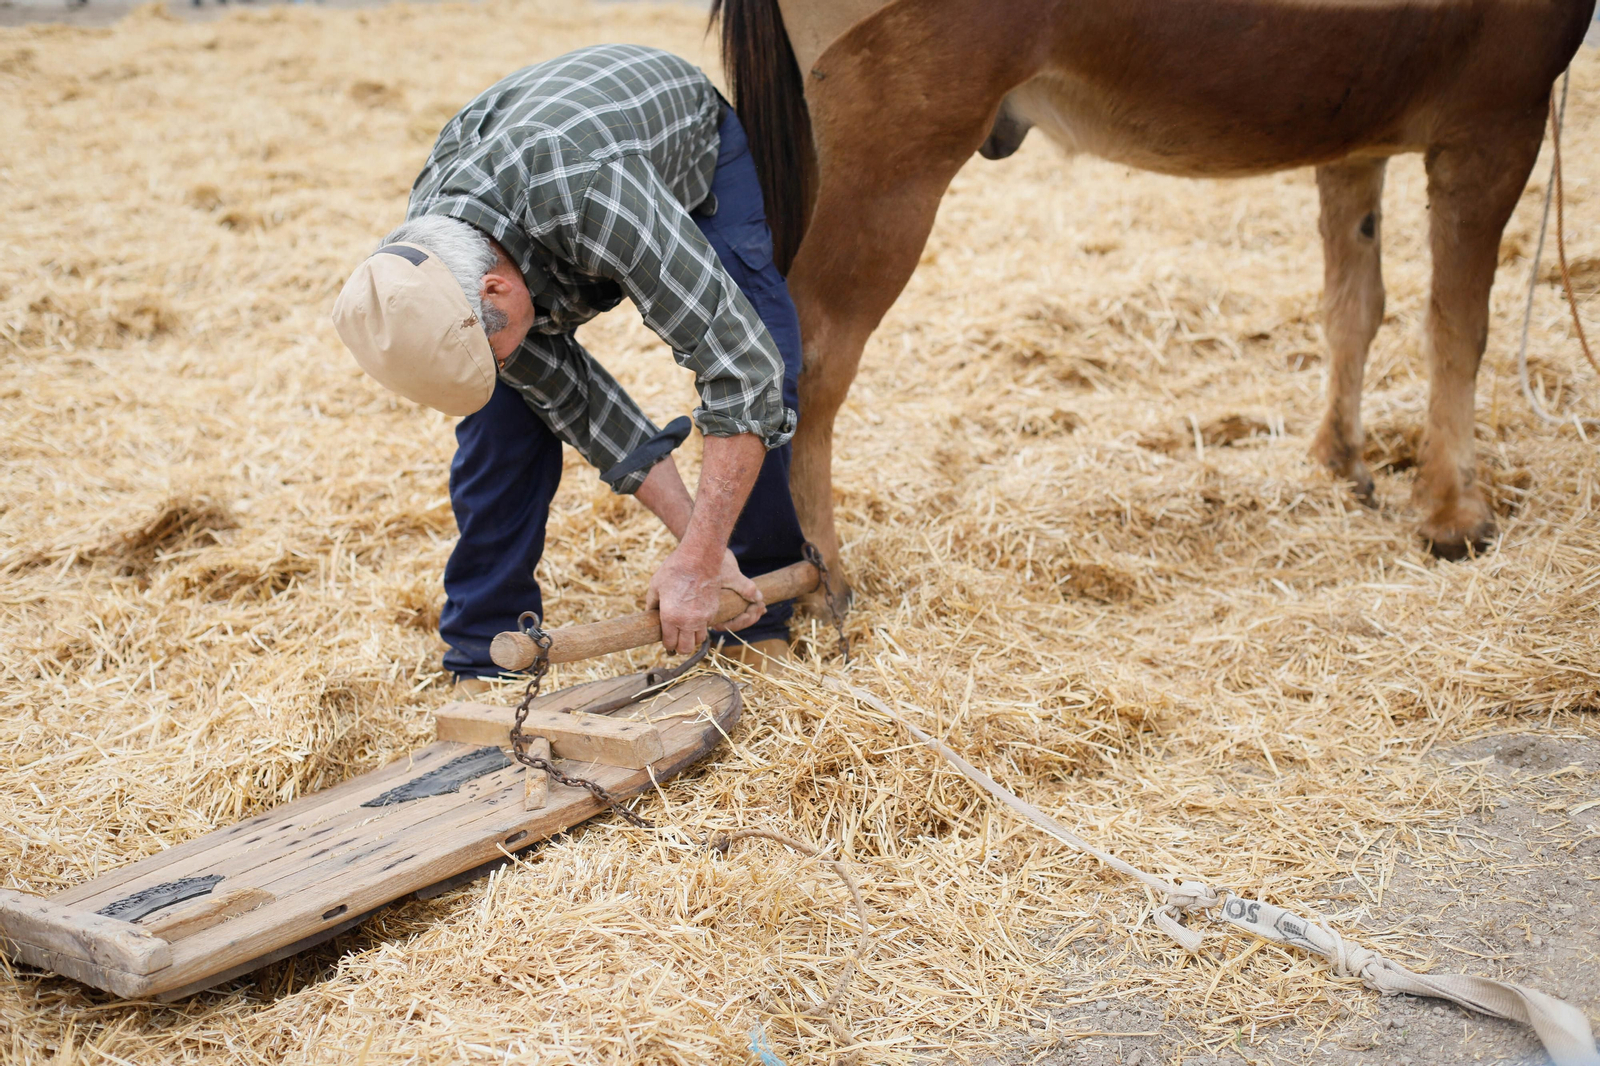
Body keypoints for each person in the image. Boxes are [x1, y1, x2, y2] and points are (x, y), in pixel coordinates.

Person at [331, 44, 806, 689]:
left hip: (687, 143)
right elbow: (581, 406)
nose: (507, 361)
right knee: (505, 415)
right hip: (543, 190)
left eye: (494, 351)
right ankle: (483, 650)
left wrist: (694, 560)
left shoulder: (589, 193)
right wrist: (701, 543)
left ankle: (757, 608)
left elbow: (740, 370)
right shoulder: (427, 262)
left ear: (497, 292)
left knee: (764, 354)